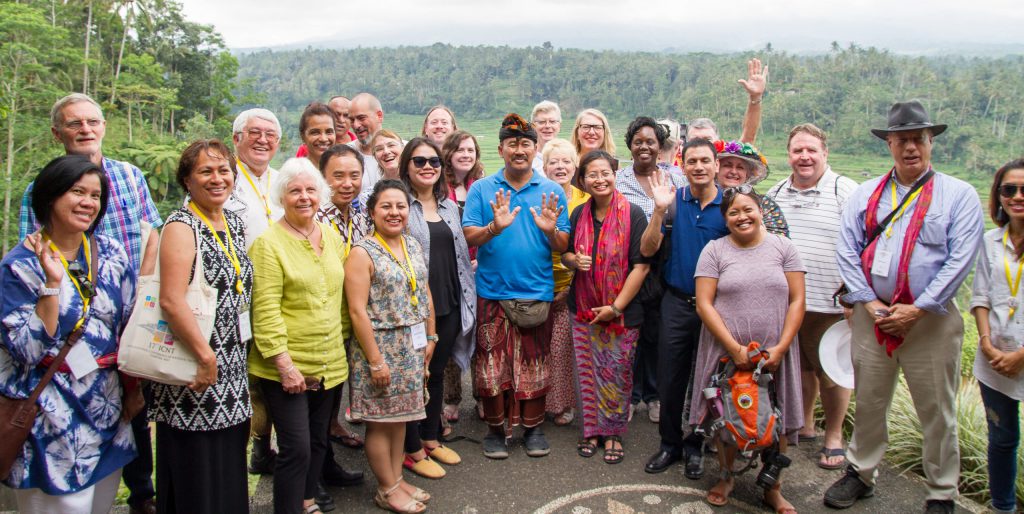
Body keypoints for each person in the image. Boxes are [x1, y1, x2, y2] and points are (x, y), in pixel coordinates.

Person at [826, 100, 984, 514]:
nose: (911, 147)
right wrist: (872, 304)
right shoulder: (866, 196)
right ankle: (861, 472)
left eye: (919, 139)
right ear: (889, 145)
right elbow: (847, 251)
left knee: (937, 408)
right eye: (902, 140)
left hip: (931, 321)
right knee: (871, 399)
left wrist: (919, 308)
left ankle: (941, 492)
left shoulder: (959, 195)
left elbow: (960, 258)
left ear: (931, 142)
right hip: (871, 317)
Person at [19, 93, 161, 514]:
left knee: (132, 399)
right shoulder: (40, 188)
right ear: (57, 132)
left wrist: (144, 293)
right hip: (74, 317)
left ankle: (142, 493)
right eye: (74, 123)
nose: (85, 130)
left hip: (129, 302)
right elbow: (36, 246)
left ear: (103, 127)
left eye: (92, 122)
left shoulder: (129, 175)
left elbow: (152, 231)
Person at [1, 156, 136, 514]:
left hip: (107, 410)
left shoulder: (111, 254)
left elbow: (129, 324)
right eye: (77, 191)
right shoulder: (19, 266)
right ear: (50, 197)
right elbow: (26, 351)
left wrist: (134, 391)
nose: (88, 202)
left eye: (95, 195)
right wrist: (51, 284)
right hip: (51, 419)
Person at [149, 140, 254, 514]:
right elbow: (171, 300)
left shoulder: (234, 223)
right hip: (195, 363)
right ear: (187, 181)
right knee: (198, 468)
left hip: (232, 361)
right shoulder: (180, 226)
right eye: (205, 171)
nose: (217, 178)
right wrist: (205, 356)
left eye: (224, 170)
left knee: (227, 462)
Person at [690, 186, 805, 512]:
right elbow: (704, 304)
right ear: (725, 219)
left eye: (748, 209)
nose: (742, 217)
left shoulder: (784, 248)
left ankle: (773, 487)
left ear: (760, 210)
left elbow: (797, 300)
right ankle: (726, 476)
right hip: (726, 351)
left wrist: (781, 347)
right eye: (733, 213)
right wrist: (734, 347)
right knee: (725, 416)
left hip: (776, 351)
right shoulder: (714, 251)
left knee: (777, 416)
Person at [462, 113, 569, 459]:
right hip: (492, 291)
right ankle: (495, 431)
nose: (519, 150)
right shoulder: (482, 189)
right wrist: (494, 227)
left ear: (535, 149)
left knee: (535, 364)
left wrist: (551, 229)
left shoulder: (552, 191)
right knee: (492, 367)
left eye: (525, 143)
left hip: (537, 291)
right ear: (501, 149)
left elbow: (563, 245)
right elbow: (469, 234)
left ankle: (533, 428)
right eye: (512, 144)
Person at [248, 157, 350, 514]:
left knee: (319, 441)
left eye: (310, 189)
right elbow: (265, 309)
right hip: (288, 366)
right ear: (282, 196)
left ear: (321, 194)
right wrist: (283, 363)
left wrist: (346, 343)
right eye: (295, 190)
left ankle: (307, 499)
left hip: (330, 360)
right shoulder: (269, 244)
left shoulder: (331, 235)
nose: (304, 197)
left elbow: (341, 296)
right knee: (297, 447)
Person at [765, 123, 858, 470]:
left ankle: (833, 436)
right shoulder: (776, 193)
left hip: (832, 303)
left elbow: (863, 243)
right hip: (789, 302)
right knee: (801, 366)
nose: (804, 157)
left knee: (832, 372)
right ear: (788, 155)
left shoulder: (845, 191)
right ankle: (805, 423)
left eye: (811, 150)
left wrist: (854, 293)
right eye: (797, 151)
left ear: (824, 153)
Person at [639, 138, 728, 479]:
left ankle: (697, 446)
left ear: (716, 165)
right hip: (676, 303)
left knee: (708, 379)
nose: (699, 167)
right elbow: (647, 250)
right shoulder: (672, 202)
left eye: (706, 160)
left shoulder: (729, 206)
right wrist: (659, 210)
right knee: (671, 378)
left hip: (718, 309)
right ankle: (670, 443)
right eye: (692, 161)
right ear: (683, 165)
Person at [346, 180, 436, 514]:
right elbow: (357, 311)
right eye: (386, 206)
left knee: (402, 420)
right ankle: (386, 488)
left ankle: (397, 479)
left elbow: (423, 289)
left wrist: (431, 335)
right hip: (380, 348)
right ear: (372, 212)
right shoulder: (362, 252)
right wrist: (375, 361)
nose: (394, 213)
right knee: (381, 422)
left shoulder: (411, 244)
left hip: (411, 347)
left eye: (400, 206)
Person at [561, 150, 650, 464]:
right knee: (586, 371)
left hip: (621, 311)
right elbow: (566, 256)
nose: (599, 179)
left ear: (615, 174)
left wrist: (615, 307)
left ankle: (613, 433)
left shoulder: (634, 214)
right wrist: (575, 260)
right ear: (583, 180)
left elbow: (641, 266)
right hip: (582, 307)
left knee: (616, 372)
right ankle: (591, 430)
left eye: (605, 173)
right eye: (592, 175)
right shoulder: (578, 215)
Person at [399, 138, 476, 478]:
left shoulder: (448, 207)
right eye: (419, 161)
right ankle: (411, 446)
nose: (428, 167)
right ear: (406, 167)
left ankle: (430, 437)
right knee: (416, 373)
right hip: (416, 307)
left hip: (448, 299)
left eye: (433, 161)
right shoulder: (401, 206)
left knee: (438, 370)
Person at [617, 117, 687, 424]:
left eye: (651, 142)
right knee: (631, 330)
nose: (644, 146)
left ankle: (655, 396)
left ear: (661, 147)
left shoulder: (677, 179)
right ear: (630, 146)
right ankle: (630, 395)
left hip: (666, 266)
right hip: (628, 266)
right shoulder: (619, 180)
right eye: (638, 141)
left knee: (658, 333)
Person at [227, 108, 286, 477]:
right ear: (237, 139)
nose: (263, 140)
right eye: (254, 133)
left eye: (270, 134)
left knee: (274, 375)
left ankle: (267, 447)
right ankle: (254, 449)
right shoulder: (223, 178)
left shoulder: (282, 181)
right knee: (247, 379)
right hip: (237, 298)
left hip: (281, 296)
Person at [313, 144, 369, 507]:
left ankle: (327, 465)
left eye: (354, 176)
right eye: (338, 176)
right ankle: (311, 478)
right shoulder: (315, 216)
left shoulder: (360, 213)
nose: (347, 184)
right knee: (316, 403)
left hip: (351, 318)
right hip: (323, 321)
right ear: (323, 178)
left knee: (333, 398)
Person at [971, 158, 1024, 514]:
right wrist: (987, 343)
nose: (1017, 196)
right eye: (1009, 189)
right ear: (998, 195)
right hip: (994, 359)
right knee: (1002, 439)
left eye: (1023, 190)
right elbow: (980, 297)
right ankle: (1002, 507)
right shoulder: (992, 240)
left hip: (1018, 355)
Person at [542, 138, 589, 426]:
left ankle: (561, 404)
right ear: (544, 167)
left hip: (571, 285)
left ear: (575, 166)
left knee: (561, 351)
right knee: (536, 350)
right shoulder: (536, 197)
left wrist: (571, 287)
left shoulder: (585, 201)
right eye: (553, 162)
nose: (560, 167)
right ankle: (535, 400)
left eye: (566, 161)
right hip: (536, 284)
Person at [714, 139, 789, 237]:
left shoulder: (763, 204)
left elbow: (780, 242)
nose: (733, 171)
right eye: (727, 166)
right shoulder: (706, 200)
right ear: (716, 168)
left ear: (748, 174)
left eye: (740, 168)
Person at [685, 58, 768, 144]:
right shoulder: (677, 157)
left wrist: (755, 97)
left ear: (717, 141)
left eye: (708, 140)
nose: (701, 145)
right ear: (686, 143)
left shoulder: (725, 157)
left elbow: (748, 139)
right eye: (695, 141)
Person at [347, 93, 386, 193]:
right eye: (351, 120)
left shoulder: (404, 151)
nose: (356, 125)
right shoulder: (345, 155)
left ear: (379, 116)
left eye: (361, 118)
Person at [441, 130, 485, 209]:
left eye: (470, 150)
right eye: (460, 150)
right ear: (448, 154)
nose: (466, 155)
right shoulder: (438, 187)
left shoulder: (481, 185)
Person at [299, 102, 337, 173]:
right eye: (315, 132)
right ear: (303, 136)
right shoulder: (295, 174)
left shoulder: (344, 172)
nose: (323, 139)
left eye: (329, 132)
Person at [531, 100, 563, 171]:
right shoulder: (527, 159)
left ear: (559, 126)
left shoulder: (568, 157)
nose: (547, 126)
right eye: (542, 122)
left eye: (552, 121)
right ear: (533, 126)